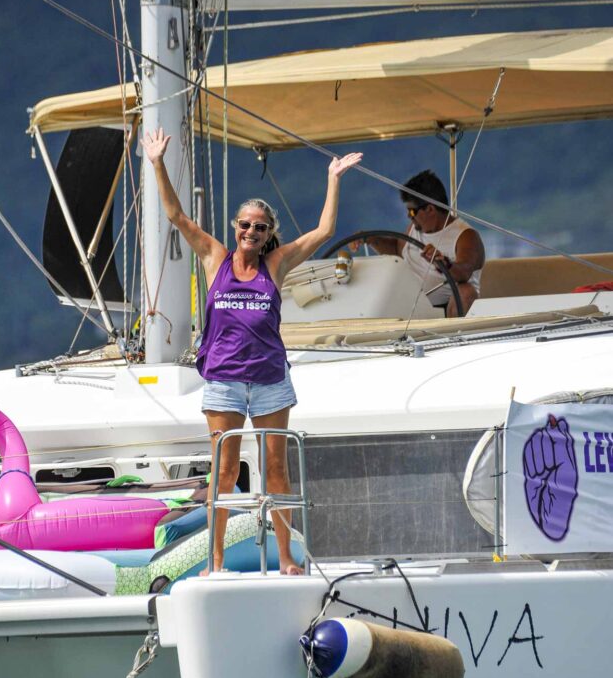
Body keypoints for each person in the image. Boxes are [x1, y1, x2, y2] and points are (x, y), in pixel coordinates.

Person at [142, 127, 362, 574]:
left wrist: (333, 179)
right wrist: (158, 163)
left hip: (270, 381)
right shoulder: (215, 258)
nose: (251, 232)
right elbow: (176, 216)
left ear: (268, 234)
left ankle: (286, 558)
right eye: (245, 225)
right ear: (236, 228)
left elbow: (324, 230)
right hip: (223, 381)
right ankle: (215, 560)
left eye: (260, 228)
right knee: (223, 474)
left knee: (276, 470)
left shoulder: (275, 265)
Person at [353, 170, 485, 316]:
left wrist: (444, 263)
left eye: (412, 212)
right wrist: (371, 239)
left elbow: (464, 272)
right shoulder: (414, 228)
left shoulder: (465, 236)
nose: (409, 216)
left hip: (444, 309)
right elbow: (397, 250)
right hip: (406, 303)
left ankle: (454, 329)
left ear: (430, 209)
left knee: (466, 291)